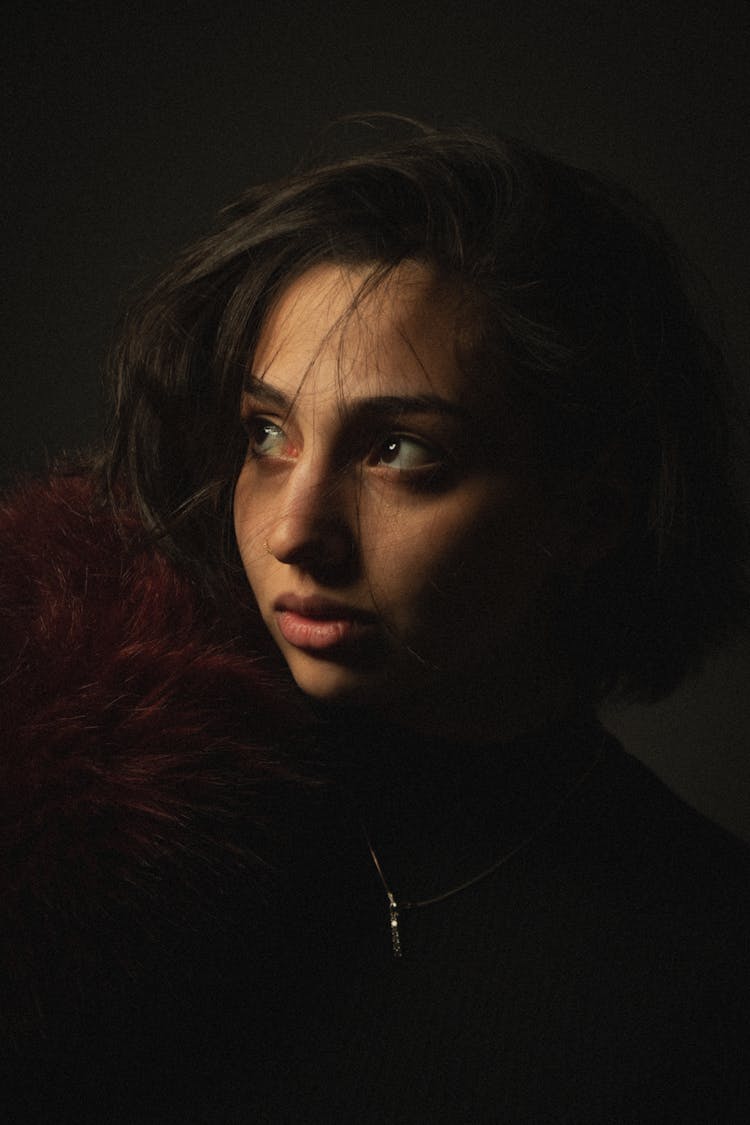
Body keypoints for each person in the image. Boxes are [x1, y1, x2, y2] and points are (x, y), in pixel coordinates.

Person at [2, 118, 748, 1123]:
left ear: (589, 513)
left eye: (397, 452)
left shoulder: (704, 957)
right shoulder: (97, 814)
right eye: (266, 434)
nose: (293, 530)